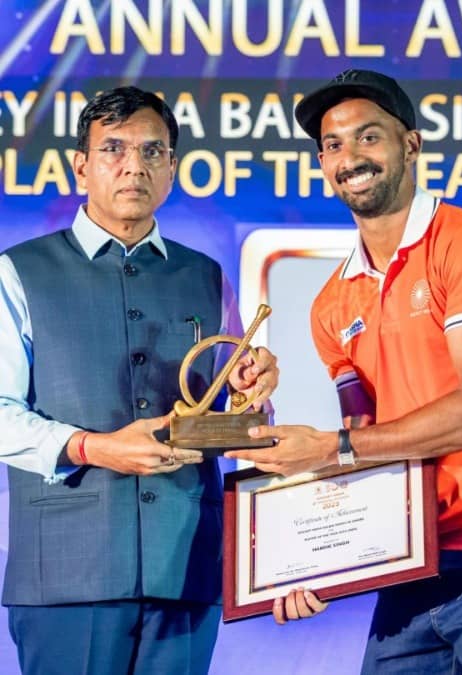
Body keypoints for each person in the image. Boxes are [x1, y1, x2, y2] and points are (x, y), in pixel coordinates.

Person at [226, 69, 462, 674]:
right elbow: (368, 445)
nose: (349, 157)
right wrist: (312, 563)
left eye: (368, 137)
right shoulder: (332, 305)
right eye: (332, 146)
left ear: (410, 145)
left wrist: (329, 448)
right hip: (410, 557)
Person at [0, 86, 278, 674]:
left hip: (186, 570)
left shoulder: (205, 275)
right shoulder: (19, 271)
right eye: (114, 150)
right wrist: (93, 448)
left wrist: (253, 400)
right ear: (81, 165)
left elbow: (228, 427)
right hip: (67, 579)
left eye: (154, 152)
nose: (135, 166)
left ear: (173, 167)